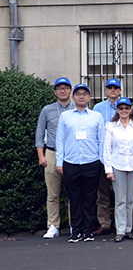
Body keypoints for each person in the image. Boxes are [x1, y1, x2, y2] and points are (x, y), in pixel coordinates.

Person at [56, 84, 106, 243]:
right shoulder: (65, 116)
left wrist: (101, 161)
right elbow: (60, 140)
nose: (81, 96)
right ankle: (75, 230)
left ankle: (88, 230)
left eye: (85, 94)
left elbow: (102, 140)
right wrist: (59, 162)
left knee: (90, 198)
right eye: (78, 94)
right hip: (71, 162)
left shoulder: (96, 116)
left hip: (91, 162)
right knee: (74, 198)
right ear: (73, 97)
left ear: (89, 97)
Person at [103, 97, 133, 242]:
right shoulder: (111, 126)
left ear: (130, 109)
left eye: (126, 108)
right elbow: (107, 149)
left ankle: (128, 229)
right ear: (117, 110)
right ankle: (120, 230)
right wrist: (108, 169)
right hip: (118, 166)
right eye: (121, 108)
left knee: (129, 200)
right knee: (120, 200)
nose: (124, 111)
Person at [36, 77, 75, 239]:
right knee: (53, 193)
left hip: (72, 153)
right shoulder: (47, 110)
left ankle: (75, 225)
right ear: (55, 92)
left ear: (70, 90)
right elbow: (39, 134)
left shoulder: (77, 108)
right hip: (52, 152)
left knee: (73, 192)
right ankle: (53, 225)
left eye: (66, 88)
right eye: (59, 88)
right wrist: (41, 155)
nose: (63, 90)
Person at [90, 78, 121, 236]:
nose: (113, 90)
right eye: (110, 88)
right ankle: (105, 224)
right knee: (102, 192)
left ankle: (121, 224)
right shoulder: (97, 108)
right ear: (106, 91)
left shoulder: (124, 106)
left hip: (121, 156)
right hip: (103, 156)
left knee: (122, 192)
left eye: (116, 88)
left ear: (120, 90)